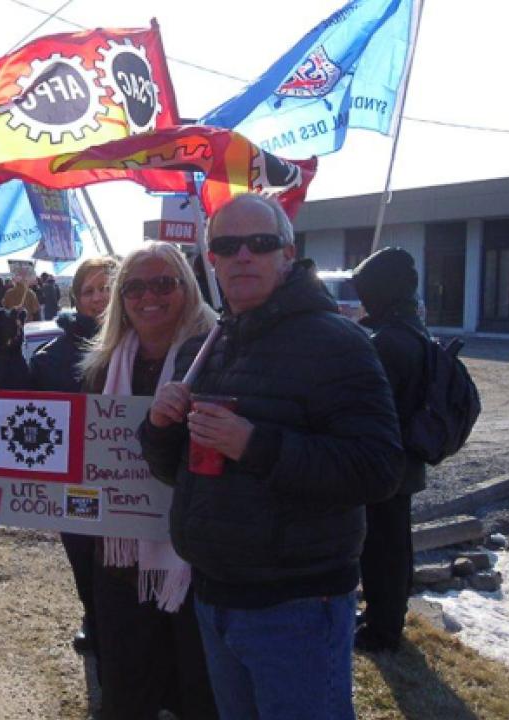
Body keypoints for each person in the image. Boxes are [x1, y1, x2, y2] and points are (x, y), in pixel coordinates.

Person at [140, 193, 404, 720]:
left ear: (287, 253)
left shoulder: (338, 343)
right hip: (214, 595)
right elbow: (177, 473)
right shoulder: (206, 346)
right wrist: (161, 428)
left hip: (297, 607)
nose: (243, 256)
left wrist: (255, 445)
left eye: (259, 245)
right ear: (210, 259)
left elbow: (378, 469)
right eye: (228, 245)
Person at [79, 242, 219, 720]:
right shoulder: (102, 366)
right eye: (134, 287)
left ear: (188, 288)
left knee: (197, 685)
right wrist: (9, 462)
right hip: (121, 551)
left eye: (164, 283)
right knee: (127, 682)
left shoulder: (217, 356)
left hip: (194, 553)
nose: (148, 297)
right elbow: (76, 447)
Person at [0, 256, 119, 659]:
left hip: (133, 480)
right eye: (89, 291)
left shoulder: (148, 343)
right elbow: (19, 406)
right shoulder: (52, 355)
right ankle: (93, 619)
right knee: (84, 557)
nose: (99, 298)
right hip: (78, 481)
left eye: (108, 287)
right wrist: (8, 350)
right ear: (76, 299)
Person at [352, 246, 429, 653]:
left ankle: (382, 629)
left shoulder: (390, 342)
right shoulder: (412, 330)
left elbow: (367, 405)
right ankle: (388, 614)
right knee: (395, 542)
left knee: (382, 548)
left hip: (385, 461)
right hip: (404, 458)